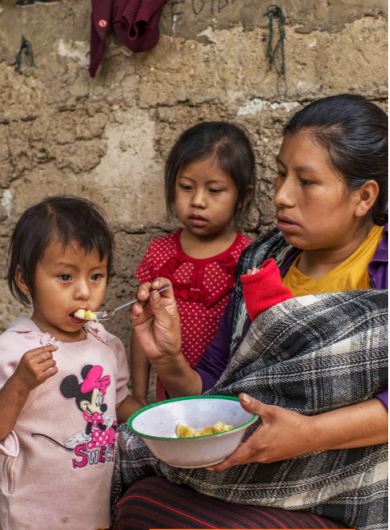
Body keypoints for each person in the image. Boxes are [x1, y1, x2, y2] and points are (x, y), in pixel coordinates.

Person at [113, 94, 388, 530]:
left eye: (306, 182)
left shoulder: (383, 270)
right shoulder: (261, 262)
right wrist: (167, 358)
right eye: (280, 175)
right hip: (246, 467)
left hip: (344, 482)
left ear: (364, 196)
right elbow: (219, 388)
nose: (281, 196)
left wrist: (309, 435)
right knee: (139, 501)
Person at [0, 196, 142, 530]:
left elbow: (119, 402)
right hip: (29, 519)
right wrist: (20, 384)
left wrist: (159, 424)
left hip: (92, 514)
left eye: (96, 276)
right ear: (24, 280)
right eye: (65, 277)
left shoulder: (105, 344)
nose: (83, 293)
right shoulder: (13, 350)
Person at [132, 121, 255, 403]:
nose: (198, 201)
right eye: (186, 187)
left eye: (214, 190)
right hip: (169, 401)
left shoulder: (249, 259)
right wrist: (138, 397)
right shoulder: (160, 254)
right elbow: (142, 330)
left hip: (229, 401)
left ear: (242, 197)